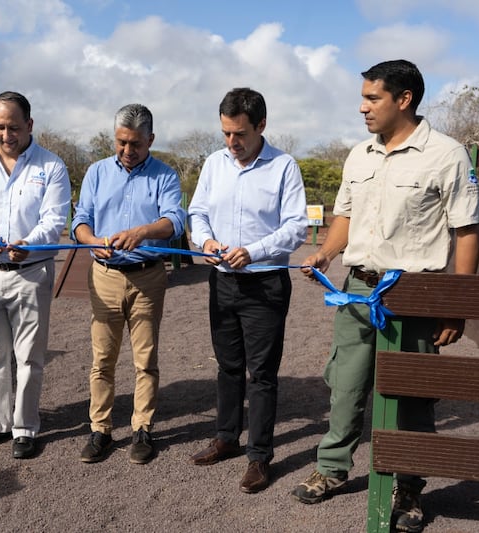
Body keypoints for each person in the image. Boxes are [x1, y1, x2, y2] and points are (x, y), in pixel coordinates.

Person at [289, 60, 479, 533]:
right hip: (357, 288)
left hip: (415, 291)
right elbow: (345, 217)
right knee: (345, 384)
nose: (363, 107)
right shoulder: (359, 155)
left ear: (404, 99)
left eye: (372, 98)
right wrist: (326, 254)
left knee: (413, 395)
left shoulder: (447, 154)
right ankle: (333, 468)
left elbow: (468, 231)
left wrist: (456, 304)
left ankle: (409, 487)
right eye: (363, 97)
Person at [187, 88, 308, 493]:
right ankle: (226, 436)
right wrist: (205, 242)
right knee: (228, 366)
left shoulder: (284, 166)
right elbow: (198, 212)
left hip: (265, 285)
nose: (231, 143)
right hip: (222, 281)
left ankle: (259, 456)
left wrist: (253, 252)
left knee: (262, 374)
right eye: (225, 133)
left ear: (261, 126)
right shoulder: (213, 164)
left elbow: (296, 227)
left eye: (239, 134)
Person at [0, 91, 71, 459]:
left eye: (14, 127)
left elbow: (54, 220)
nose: (7, 135)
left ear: (30, 125)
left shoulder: (51, 166)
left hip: (31, 272)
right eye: (0, 126)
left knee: (29, 356)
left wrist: (31, 243)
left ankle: (24, 427)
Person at [72, 103, 185, 465]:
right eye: (121, 142)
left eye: (136, 143)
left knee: (145, 358)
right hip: (104, 276)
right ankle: (100, 429)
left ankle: (142, 428)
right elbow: (80, 222)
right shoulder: (96, 172)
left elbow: (174, 222)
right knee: (102, 358)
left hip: (148, 277)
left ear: (151, 139)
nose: (127, 150)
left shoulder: (165, 176)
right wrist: (93, 243)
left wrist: (142, 232)